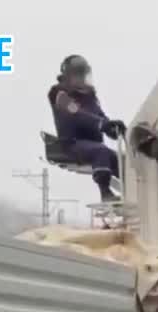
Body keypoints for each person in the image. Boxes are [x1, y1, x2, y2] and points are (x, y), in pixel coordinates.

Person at [47, 55, 125, 202]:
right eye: (77, 75)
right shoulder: (60, 94)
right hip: (73, 144)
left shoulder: (90, 97)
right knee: (101, 152)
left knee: (120, 160)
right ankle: (105, 192)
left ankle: (136, 189)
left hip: (93, 144)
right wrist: (101, 124)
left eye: (83, 75)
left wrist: (112, 127)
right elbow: (76, 113)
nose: (81, 79)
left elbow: (100, 115)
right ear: (68, 76)